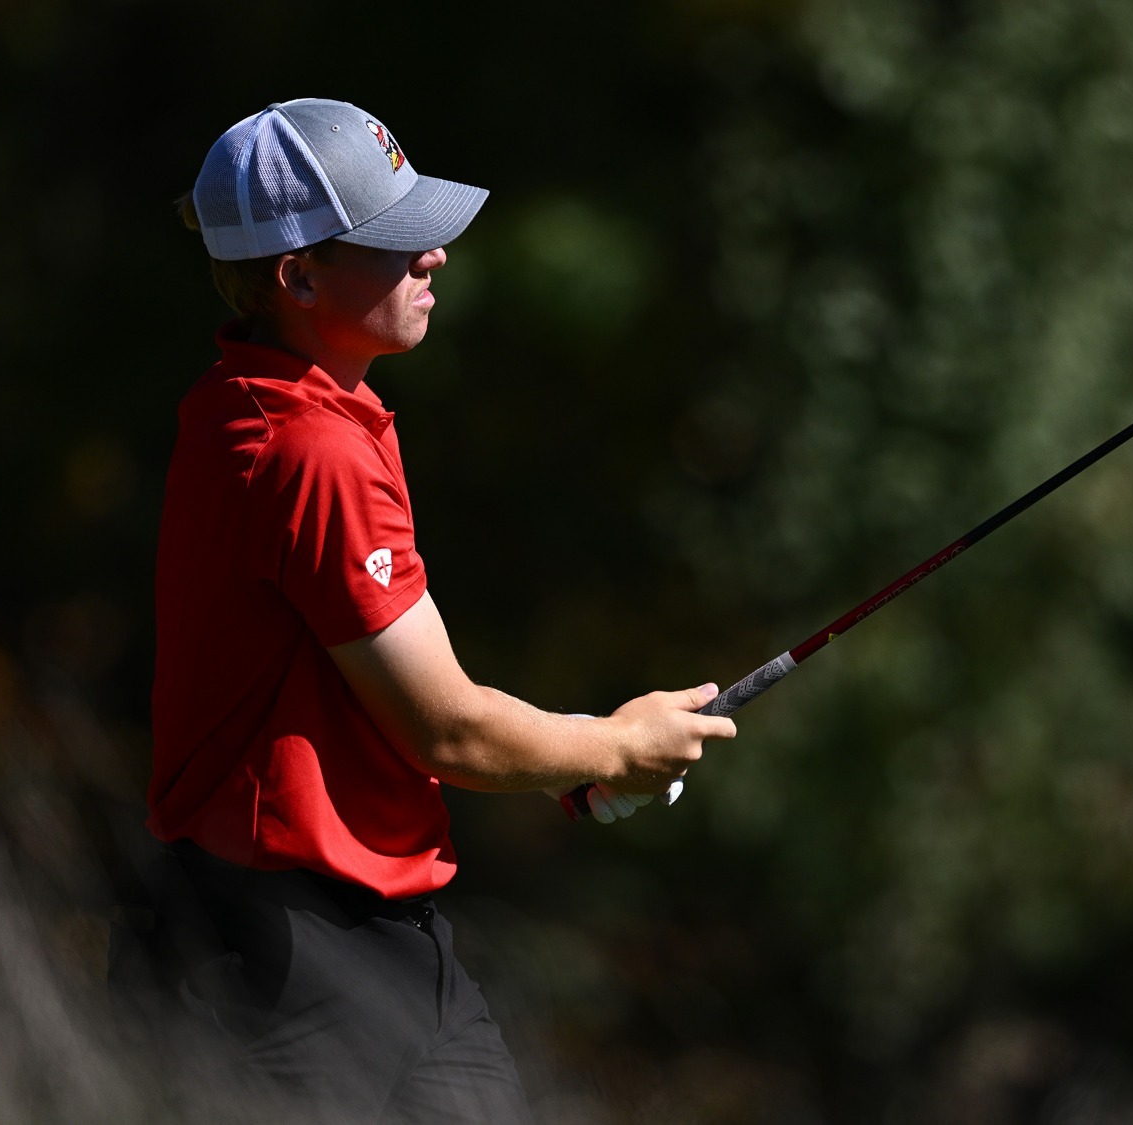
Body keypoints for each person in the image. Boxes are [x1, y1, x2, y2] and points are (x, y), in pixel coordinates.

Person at [121, 98, 736, 1122]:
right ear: (298, 277)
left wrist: (577, 754)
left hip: (393, 937)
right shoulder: (305, 450)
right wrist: (613, 747)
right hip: (282, 960)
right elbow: (445, 726)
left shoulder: (269, 404)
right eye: (396, 243)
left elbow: (378, 707)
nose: (435, 257)